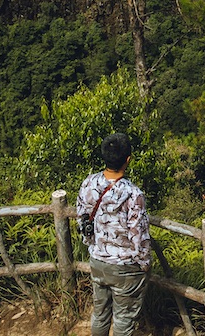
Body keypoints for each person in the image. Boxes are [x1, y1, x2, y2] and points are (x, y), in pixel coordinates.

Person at [77, 132, 152, 336]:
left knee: (100, 314)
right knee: (123, 320)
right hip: (125, 268)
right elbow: (139, 236)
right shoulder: (133, 194)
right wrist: (144, 264)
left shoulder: (88, 183)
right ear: (128, 159)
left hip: (98, 261)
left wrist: (92, 246)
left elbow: (82, 219)